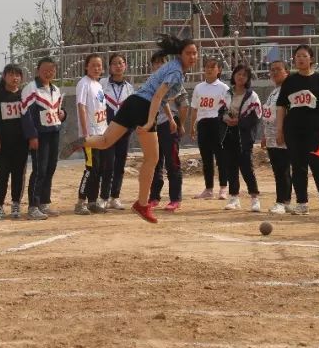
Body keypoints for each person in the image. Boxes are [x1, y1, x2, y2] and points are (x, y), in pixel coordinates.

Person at [64, 34, 199, 223]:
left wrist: (167, 117)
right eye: (188, 53)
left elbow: (161, 96)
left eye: (195, 53)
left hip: (132, 102)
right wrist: (150, 122)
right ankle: (142, 204)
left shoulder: (174, 68)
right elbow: (157, 97)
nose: (192, 57)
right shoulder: (176, 71)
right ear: (180, 54)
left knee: (104, 141)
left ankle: (80, 142)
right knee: (152, 158)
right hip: (143, 107)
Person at [275, 45, 319, 218]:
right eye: (297, 56)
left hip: (314, 130)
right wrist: (279, 130)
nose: (300, 59)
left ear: (311, 59)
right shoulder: (290, 81)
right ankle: (302, 203)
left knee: (318, 166)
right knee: (298, 167)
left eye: (304, 56)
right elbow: (281, 107)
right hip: (293, 130)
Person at [0, 64, 29, 220]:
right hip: (3, 144)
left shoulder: (24, 95)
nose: (15, 78)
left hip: (21, 143)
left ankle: (16, 204)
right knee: (2, 175)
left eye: (17, 75)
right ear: (4, 76)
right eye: (11, 75)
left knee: (19, 174)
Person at [22, 58, 66, 220]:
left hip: (54, 132)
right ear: (38, 70)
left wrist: (63, 114)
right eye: (45, 69)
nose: (49, 72)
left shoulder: (55, 89)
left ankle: (44, 202)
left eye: (52, 70)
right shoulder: (31, 89)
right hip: (39, 135)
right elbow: (25, 115)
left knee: (50, 168)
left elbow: (58, 111)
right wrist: (32, 136)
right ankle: (33, 206)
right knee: (39, 170)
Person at [221, 64, 262, 212]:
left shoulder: (252, 96)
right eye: (238, 74)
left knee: (246, 167)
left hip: (244, 136)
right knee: (231, 167)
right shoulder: (227, 93)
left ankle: (254, 198)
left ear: (248, 78)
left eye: (244, 75)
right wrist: (226, 119)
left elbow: (256, 116)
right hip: (229, 134)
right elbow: (221, 111)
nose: (240, 77)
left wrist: (240, 122)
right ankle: (234, 198)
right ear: (233, 76)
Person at [149, 51, 187, 212]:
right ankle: (154, 197)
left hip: (169, 126)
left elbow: (184, 104)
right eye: (156, 63)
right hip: (153, 126)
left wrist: (181, 124)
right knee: (154, 163)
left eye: (162, 62)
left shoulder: (174, 82)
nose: (159, 65)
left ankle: (175, 198)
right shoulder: (150, 83)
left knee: (172, 162)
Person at [74, 54, 110, 216]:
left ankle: (92, 201)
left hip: (102, 134)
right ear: (86, 66)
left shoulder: (99, 85)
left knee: (99, 169)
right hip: (91, 136)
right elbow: (81, 107)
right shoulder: (84, 84)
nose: (97, 68)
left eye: (99, 65)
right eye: (93, 65)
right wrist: (85, 133)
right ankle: (80, 202)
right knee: (90, 168)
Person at [189, 58, 230, 200]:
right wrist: (193, 125)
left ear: (219, 70)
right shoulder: (198, 87)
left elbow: (228, 108)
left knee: (221, 157)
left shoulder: (224, 88)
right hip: (203, 123)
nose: (209, 69)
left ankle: (223, 188)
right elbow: (194, 108)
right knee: (206, 158)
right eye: (207, 66)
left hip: (217, 123)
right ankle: (208, 189)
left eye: (213, 67)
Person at [99, 54, 134, 210]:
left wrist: (131, 127)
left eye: (121, 63)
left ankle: (115, 196)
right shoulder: (103, 84)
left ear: (125, 66)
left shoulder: (129, 88)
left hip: (124, 132)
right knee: (108, 164)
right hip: (107, 131)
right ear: (110, 67)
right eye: (114, 63)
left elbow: (133, 110)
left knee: (120, 164)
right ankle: (104, 196)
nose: (118, 66)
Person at [260, 59, 291, 214]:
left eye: (278, 69)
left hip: (282, 136)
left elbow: (287, 114)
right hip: (271, 137)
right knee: (278, 170)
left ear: (287, 72)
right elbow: (268, 115)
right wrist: (265, 135)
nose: (274, 72)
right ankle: (284, 200)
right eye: (272, 70)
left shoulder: (288, 90)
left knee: (283, 170)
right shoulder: (274, 91)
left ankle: (283, 201)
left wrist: (282, 132)